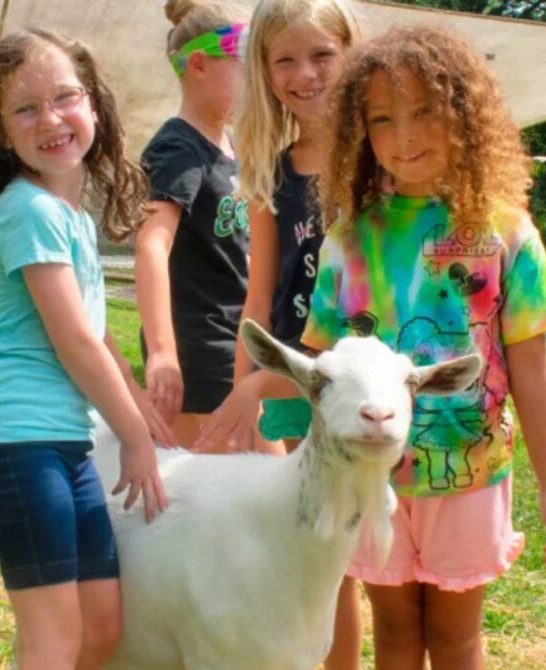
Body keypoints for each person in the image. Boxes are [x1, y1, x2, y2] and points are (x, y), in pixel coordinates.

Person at [304, 27, 546, 669]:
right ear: (358, 133)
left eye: (425, 110)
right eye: (383, 118)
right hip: (371, 476)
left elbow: (533, 373)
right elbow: (318, 363)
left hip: (471, 476)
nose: (405, 135)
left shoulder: (507, 233)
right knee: (394, 634)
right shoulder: (348, 240)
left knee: (456, 639)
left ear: (463, 113)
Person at [0, 29, 169, 669]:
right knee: (53, 639)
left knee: (101, 629)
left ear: (93, 105)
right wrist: (134, 436)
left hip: (60, 444)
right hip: (15, 444)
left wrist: (136, 402)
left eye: (65, 97)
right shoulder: (29, 211)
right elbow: (72, 340)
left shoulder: (68, 216)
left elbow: (96, 333)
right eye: (25, 109)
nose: (50, 119)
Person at [193, 1, 364, 667]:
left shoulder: (384, 155)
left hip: (373, 384)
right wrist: (246, 397)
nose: (305, 74)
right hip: (297, 384)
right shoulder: (269, 169)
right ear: (262, 71)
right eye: (284, 60)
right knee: (331, 562)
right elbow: (259, 295)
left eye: (321, 54)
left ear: (352, 50)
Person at [135, 0, 253, 447]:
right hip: (200, 350)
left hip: (236, 340)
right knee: (213, 491)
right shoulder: (179, 148)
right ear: (200, 64)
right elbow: (151, 246)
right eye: (247, 67)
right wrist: (164, 354)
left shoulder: (230, 145)